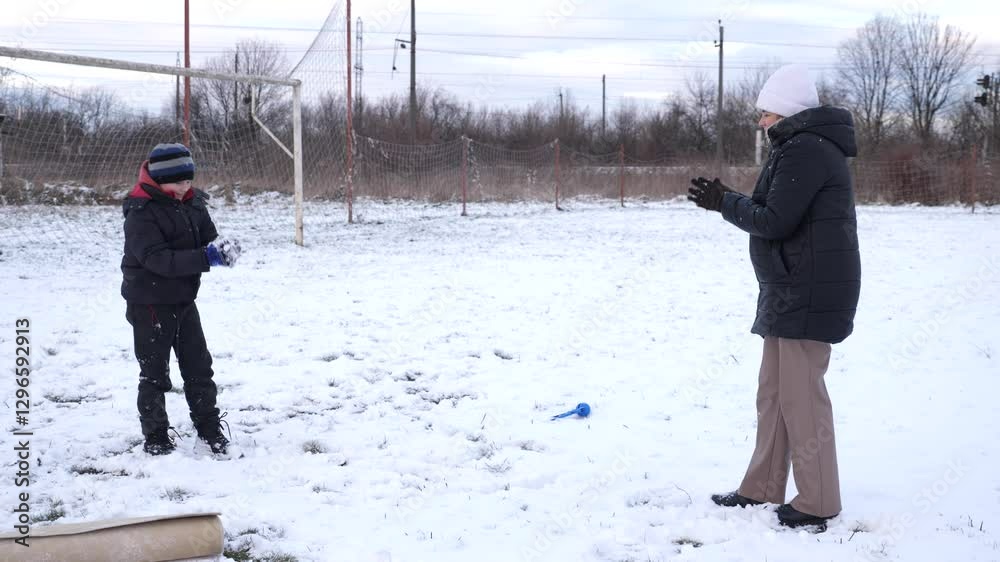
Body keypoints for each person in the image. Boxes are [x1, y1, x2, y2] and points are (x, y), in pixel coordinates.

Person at [687, 64, 861, 529]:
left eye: (765, 113)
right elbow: (779, 214)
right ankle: (762, 486)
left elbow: (774, 220)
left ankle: (819, 500)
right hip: (790, 288)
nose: (761, 122)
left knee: (801, 396)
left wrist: (724, 202)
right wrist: (729, 200)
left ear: (784, 111)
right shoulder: (800, 147)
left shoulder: (806, 149)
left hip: (807, 290)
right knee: (774, 393)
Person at [121, 143, 240, 456]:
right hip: (149, 303)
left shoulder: (191, 202)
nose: (185, 187)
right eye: (178, 182)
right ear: (159, 180)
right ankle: (156, 436)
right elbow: (158, 260)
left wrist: (221, 248)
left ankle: (210, 430)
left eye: (188, 181)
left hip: (184, 300)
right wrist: (205, 257)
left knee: (199, 366)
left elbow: (207, 236)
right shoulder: (141, 211)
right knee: (155, 374)